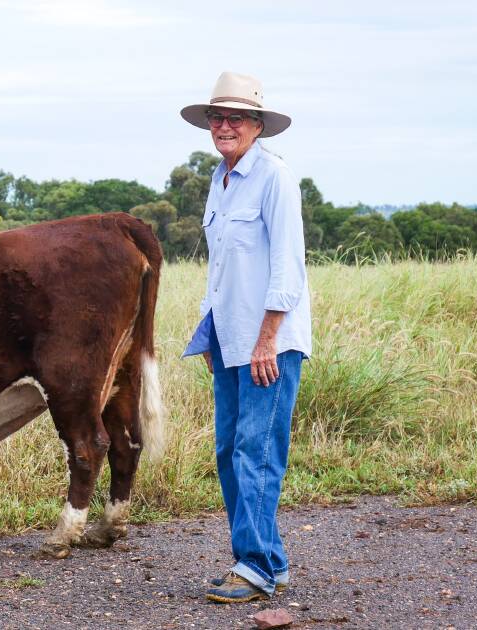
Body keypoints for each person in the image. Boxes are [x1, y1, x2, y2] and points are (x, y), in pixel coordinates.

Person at [180, 71, 312, 603]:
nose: (225, 126)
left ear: (258, 125)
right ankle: (268, 561)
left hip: (269, 344)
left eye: (236, 117)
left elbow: (288, 265)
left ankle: (253, 567)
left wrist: (266, 340)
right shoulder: (222, 177)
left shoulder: (275, 177)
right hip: (231, 340)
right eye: (218, 117)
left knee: (255, 453)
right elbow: (222, 270)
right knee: (229, 450)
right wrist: (211, 335)